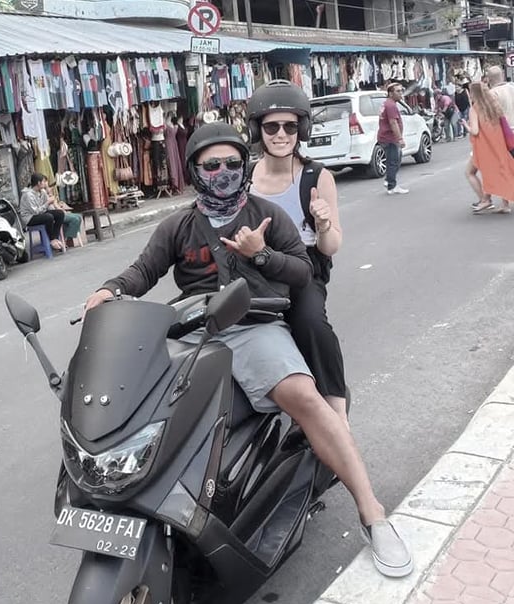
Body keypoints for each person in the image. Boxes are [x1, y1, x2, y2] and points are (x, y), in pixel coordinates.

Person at [84, 122, 413, 578]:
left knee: (305, 399)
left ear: (244, 166)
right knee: (148, 403)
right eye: (211, 166)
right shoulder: (178, 226)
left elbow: (302, 271)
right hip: (194, 331)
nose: (223, 173)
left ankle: (373, 514)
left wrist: (259, 254)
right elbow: (143, 270)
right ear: (195, 171)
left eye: (232, 164)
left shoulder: (266, 215)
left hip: (254, 327)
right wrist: (109, 290)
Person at [246, 80, 348, 426]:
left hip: (302, 268)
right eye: (271, 127)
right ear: (257, 130)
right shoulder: (245, 177)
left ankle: (337, 413)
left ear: (301, 130)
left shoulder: (317, 177)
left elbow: (331, 246)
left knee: (310, 323)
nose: (281, 135)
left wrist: (323, 223)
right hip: (255, 267)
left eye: (290, 127)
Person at [461, 81, 514, 214]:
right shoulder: (494, 106)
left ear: (474, 94)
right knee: (501, 171)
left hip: (484, 148)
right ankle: (505, 205)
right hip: (499, 145)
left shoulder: (475, 108)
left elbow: (475, 131)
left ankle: (485, 200)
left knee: (470, 172)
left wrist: (466, 125)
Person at [18, 172, 65, 251]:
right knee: (49, 217)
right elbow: (35, 212)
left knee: (60, 214)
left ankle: (55, 238)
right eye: (43, 181)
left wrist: (54, 205)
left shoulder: (42, 191)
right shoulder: (28, 195)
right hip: (30, 218)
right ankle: (52, 239)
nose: (45, 183)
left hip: (41, 213)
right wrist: (47, 203)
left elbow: (47, 206)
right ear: (39, 183)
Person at [378, 83, 409, 195]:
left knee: (395, 159)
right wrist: (399, 139)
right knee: (393, 161)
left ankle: (388, 180)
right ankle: (392, 186)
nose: (401, 93)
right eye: (398, 91)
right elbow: (393, 123)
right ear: (391, 93)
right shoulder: (391, 105)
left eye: (401, 90)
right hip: (390, 138)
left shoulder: (387, 103)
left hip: (386, 137)